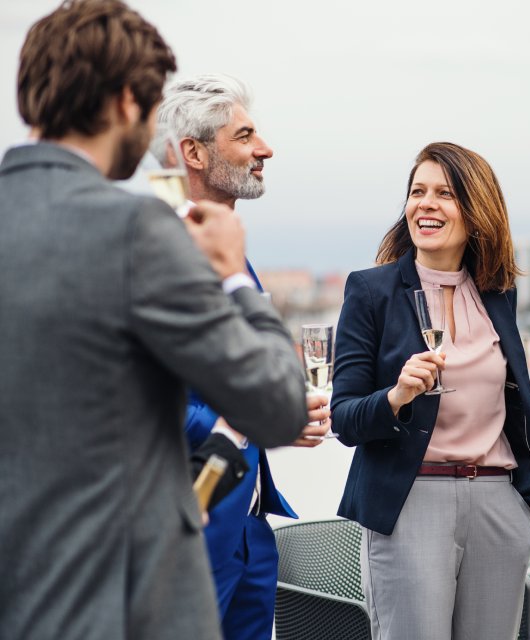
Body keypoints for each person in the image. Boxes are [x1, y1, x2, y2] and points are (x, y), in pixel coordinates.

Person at [0, 2, 309, 639]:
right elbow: (279, 404)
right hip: (129, 595)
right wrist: (232, 276)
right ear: (123, 102)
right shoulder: (135, 231)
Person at [332, 142, 530, 640]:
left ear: (475, 213)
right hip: (412, 501)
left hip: (498, 502)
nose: (425, 204)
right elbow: (344, 417)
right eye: (418, 192)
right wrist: (396, 396)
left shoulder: (497, 294)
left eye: (445, 194)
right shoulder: (370, 292)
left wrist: (523, 507)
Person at [157, 74, 329, 640]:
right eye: (245, 135)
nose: (266, 149)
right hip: (195, 531)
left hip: (254, 532)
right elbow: (150, 400)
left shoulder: (233, 251)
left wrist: (282, 415)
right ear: (194, 153)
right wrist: (244, 424)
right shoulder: (157, 257)